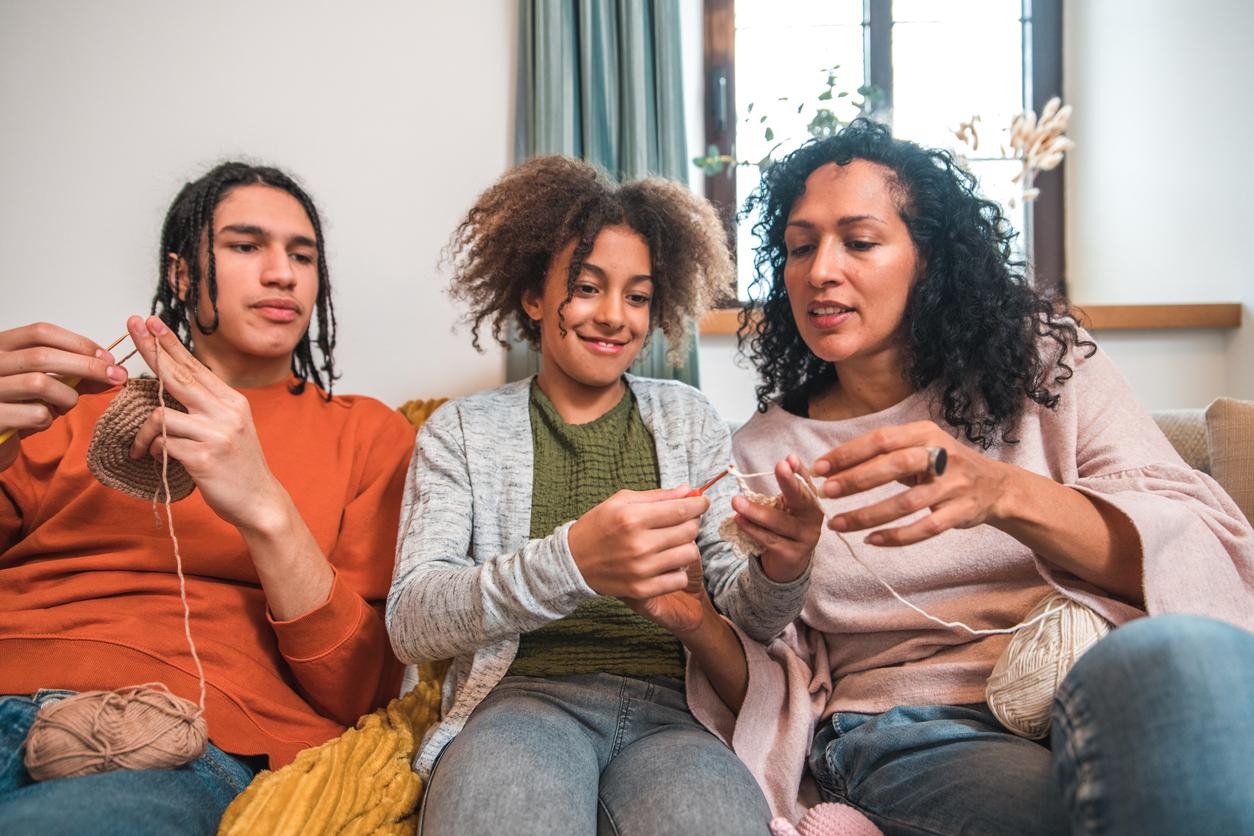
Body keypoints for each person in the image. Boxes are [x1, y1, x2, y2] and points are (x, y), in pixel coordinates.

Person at [679, 119, 1254, 835]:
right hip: (908, 729)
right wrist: (775, 570)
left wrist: (1002, 493)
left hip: (1096, 678)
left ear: (932, 260)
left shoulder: (1049, 373)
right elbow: (771, 663)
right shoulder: (765, 454)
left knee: (1186, 655)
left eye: (858, 241)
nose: (820, 269)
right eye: (800, 247)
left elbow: (1197, 551)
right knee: (1063, 811)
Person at [386, 155, 824, 835]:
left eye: (639, 296)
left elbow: (750, 618)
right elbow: (412, 622)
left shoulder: (688, 419)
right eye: (588, 287)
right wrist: (573, 563)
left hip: (677, 720)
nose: (615, 317)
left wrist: (782, 568)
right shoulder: (463, 432)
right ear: (534, 297)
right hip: (522, 708)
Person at [0, 162, 415, 834]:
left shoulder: (368, 434)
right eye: (247, 246)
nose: (282, 273)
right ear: (182, 275)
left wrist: (264, 505)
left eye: (302, 255)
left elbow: (360, 691)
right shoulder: (65, 410)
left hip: (173, 745)